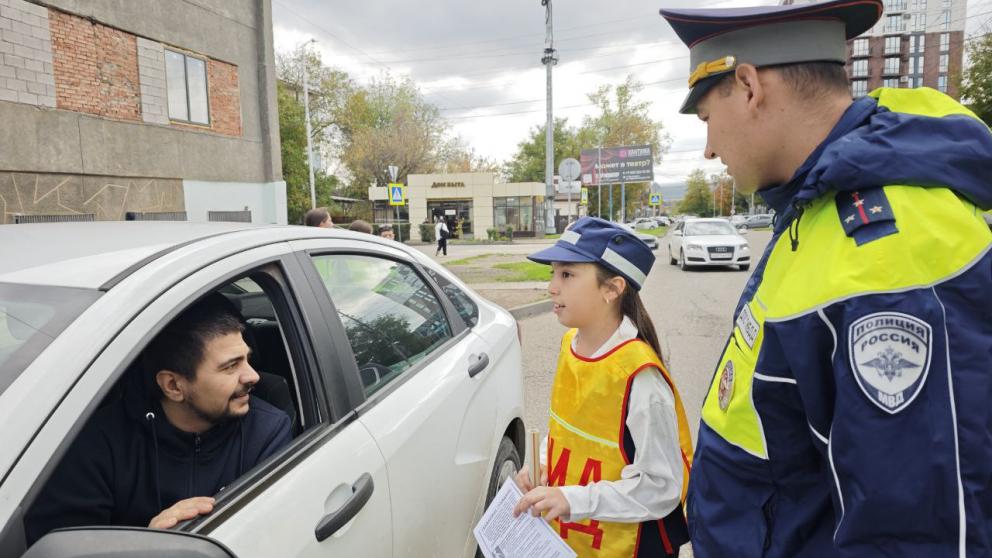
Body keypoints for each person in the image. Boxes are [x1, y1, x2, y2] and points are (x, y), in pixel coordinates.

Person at [657, 0, 992, 555]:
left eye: (707, 119)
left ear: (747, 85)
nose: (710, 147)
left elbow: (915, 532)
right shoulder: (817, 207)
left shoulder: (888, 250)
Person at [25, 294, 292, 544]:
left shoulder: (267, 430)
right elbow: (62, 545)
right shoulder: (96, 445)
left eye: (247, 359)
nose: (253, 376)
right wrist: (148, 544)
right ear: (173, 386)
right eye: (230, 366)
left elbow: (267, 535)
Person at [512, 217, 694, 558]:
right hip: (573, 537)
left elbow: (662, 487)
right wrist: (541, 462)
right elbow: (568, 429)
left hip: (629, 545)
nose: (552, 286)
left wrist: (572, 499)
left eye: (567, 275)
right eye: (553, 273)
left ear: (612, 289)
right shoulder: (570, 344)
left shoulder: (640, 375)